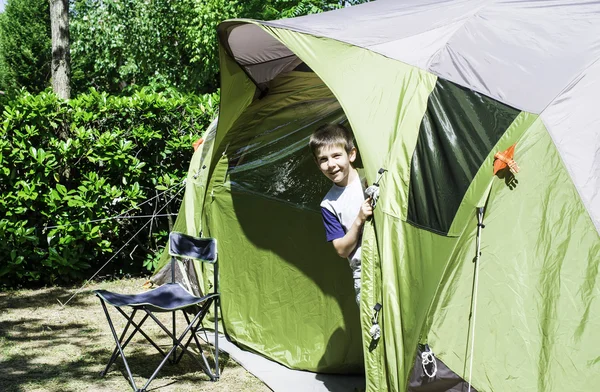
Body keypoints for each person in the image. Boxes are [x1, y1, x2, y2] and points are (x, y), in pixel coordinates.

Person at [309, 123, 372, 305]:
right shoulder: (329, 204)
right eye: (323, 159)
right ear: (317, 163)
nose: (331, 165)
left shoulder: (370, 176)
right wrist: (359, 220)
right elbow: (342, 249)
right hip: (364, 275)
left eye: (336, 156)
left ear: (351, 154)